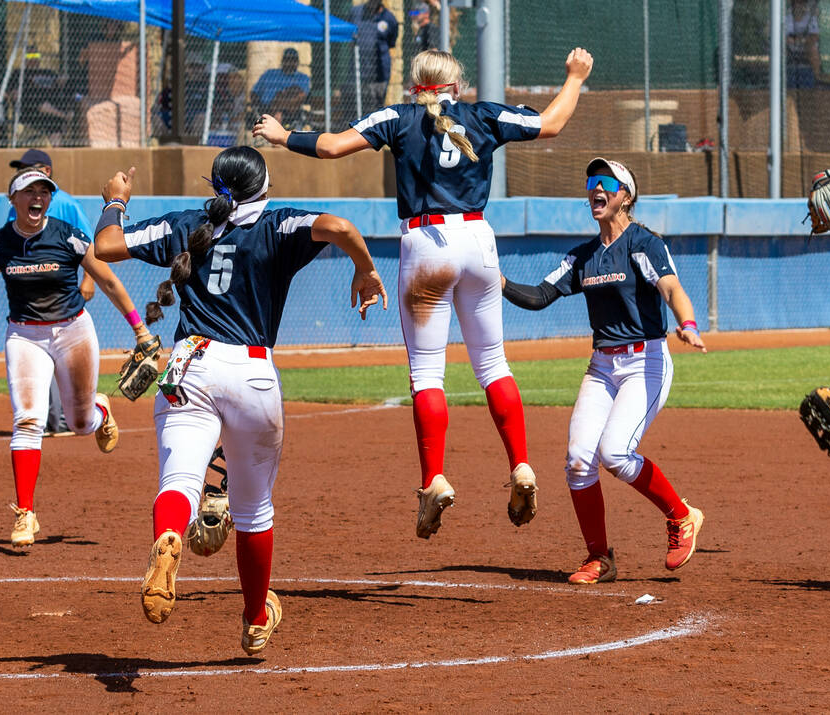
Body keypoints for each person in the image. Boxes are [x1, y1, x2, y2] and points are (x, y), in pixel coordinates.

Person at [252, 47, 594, 540]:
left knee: (426, 373)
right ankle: (520, 464)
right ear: (457, 86)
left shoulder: (398, 116)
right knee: (494, 364)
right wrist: (575, 76)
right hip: (478, 239)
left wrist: (284, 136)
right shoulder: (483, 114)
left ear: (416, 87)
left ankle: (433, 478)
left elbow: (329, 147)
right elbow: (553, 123)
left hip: (425, 242)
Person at [92, 146, 386, 655]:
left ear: (216, 187)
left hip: (188, 365)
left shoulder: (189, 224)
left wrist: (116, 201)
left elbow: (107, 246)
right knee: (253, 512)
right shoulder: (278, 224)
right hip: (251, 371)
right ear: (264, 188)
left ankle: (168, 540)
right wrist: (364, 269)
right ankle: (254, 619)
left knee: (180, 482)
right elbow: (341, 226)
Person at [499, 159, 708, 584]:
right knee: (579, 461)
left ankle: (682, 516)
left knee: (614, 453)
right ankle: (599, 557)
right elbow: (540, 295)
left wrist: (687, 324)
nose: (594, 188)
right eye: (590, 182)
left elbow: (671, 287)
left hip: (644, 361)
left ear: (625, 196)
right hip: (602, 366)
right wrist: (497, 282)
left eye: (604, 183)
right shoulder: (583, 256)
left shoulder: (643, 244)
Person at [0, 168, 149, 548]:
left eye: (44, 191)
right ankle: (26, 513)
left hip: (73, 331)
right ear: (14, 201)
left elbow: (105, 279)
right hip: (24, 335)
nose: (38, 197)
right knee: (27, 421)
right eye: (29, 191)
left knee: (79, 422)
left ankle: (100, 412)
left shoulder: (65, 234)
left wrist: (139, 328)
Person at [6, 149, 97, 435]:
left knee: (62, 355)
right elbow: (8, 243)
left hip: (63, 295)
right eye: (19, 170)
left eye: (27, 168)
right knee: (36, 358)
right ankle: (45, 419)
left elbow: (88, 245)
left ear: (46, 171)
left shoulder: (67, 204)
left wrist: (89, 280)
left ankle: (59, 419)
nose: (21, 173)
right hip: (29, 298)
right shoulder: (18, 203)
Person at [349, 0, 399, 110]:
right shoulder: (356, 12)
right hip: (358, 69)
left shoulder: (389, 18)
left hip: (380, 72)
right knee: (356, 105)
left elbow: (391, 42)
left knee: (376, 105)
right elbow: (350, 36)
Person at [251, 48, 310, 130]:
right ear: (283, 60)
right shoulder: (270, 73)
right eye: (288, 59)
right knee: (280, 98)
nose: (290, 63)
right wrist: (257, 107)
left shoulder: (302, 78)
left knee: (289, 95)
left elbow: (301, 95)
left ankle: (276, 129)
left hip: (289, 109)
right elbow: (254, 92)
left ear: (297, 62)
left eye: (293, 60)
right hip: (265, 107)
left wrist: (283, 97)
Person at [785, 0, 830, 89]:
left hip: (807, 48)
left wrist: (799, 40)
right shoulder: (788, 18)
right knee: (780, 50)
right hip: (791, 48)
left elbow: (814, 37)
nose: (801, 6)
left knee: (813, 49)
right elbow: (786, 39)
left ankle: (817, 78)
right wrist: (802, 40)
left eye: (803, 3)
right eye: (798, 3)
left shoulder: (810, 17)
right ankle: (781, 76)